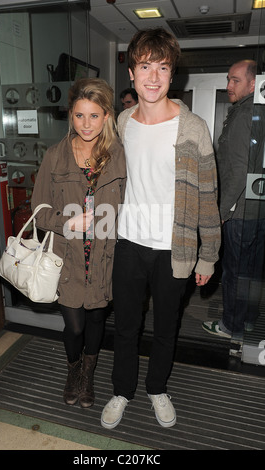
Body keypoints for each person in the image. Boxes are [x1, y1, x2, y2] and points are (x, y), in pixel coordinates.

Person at [101, 28, 221, 429]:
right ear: (132, 74)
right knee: (126, 326)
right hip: (129, 243)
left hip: (175, 246)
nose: (153, 77)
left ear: (173, 75)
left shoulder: (193, 128)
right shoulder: (121, 122)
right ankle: (122, 390)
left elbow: (209, 194)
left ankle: (156, 389)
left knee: (166, 327)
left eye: (163, 67)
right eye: (145, 66)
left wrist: (209, 254)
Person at [31, 78, 126, 408]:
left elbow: (132, 207)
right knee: (74, 325)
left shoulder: (118, 157)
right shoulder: (56, 157)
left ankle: (88, 374)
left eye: (94, 116)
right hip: (68, 257)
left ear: (107, 116)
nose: (87, 124)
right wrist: (66, 222)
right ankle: (73, 371)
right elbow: (39, 211)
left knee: (97, 321)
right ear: (70, 115)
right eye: (80, 115)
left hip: (103, 257)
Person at [202, 60, 265, 340]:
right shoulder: (259, 112)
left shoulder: (244, 116)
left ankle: (231, 325)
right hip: (257, 208)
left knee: (234, 272)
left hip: (239, 210)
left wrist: (223, 210)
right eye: (228, 79)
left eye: (235, 80)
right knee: (251, 271)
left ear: (253, 84)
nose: (228, 86)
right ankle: (248, 319)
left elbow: (239, 171)